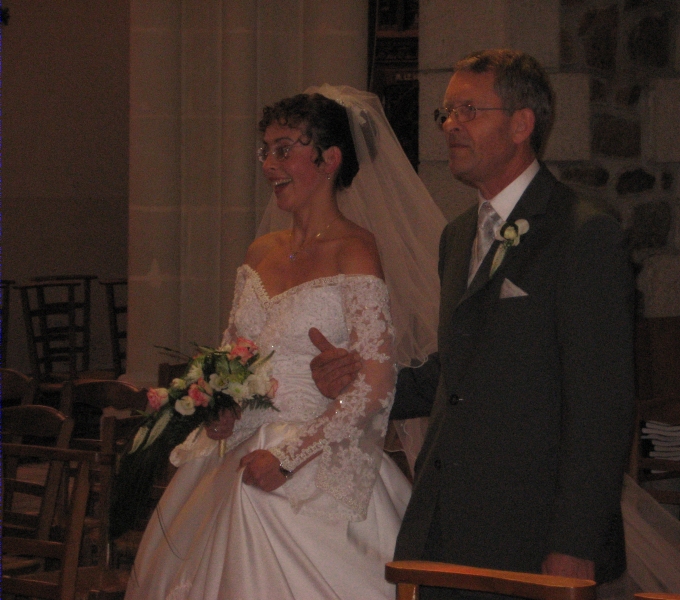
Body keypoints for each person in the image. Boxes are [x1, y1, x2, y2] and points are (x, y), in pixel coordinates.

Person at [311, 49, 636, 598]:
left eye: (468, 111)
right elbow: (457, 371)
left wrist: (574, 543)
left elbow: (601, 405)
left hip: (532, 532)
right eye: (445, 113)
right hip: (446, 519)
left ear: (521, 124)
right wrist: (366, 380)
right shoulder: (458, 236)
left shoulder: (582, 234)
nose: (449, 127)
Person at [125, 85, 446, 600]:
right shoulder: (261, 250)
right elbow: (234, 353)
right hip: (239, 448)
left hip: (313, 451)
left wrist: (291, 456)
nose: (270, 165)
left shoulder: (356, 250)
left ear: (329, 160)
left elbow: (377, 382)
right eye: (265, 151)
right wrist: (220, 408)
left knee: (260, 510)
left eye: (284, 149)